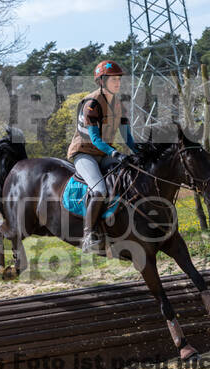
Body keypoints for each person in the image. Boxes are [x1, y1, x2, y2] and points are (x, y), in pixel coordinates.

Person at [67, 59, 139, 252]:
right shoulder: (91, 104)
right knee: (99, 190)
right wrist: (115, 153)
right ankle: (89, 235)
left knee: (129, 174)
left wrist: (139, 153)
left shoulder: (119, 105)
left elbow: (128, 138)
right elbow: (96, 140)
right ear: (101, 81)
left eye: (118, 78)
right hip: (84, 154)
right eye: (112, 79)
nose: (117, 82)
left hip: (104, 153)